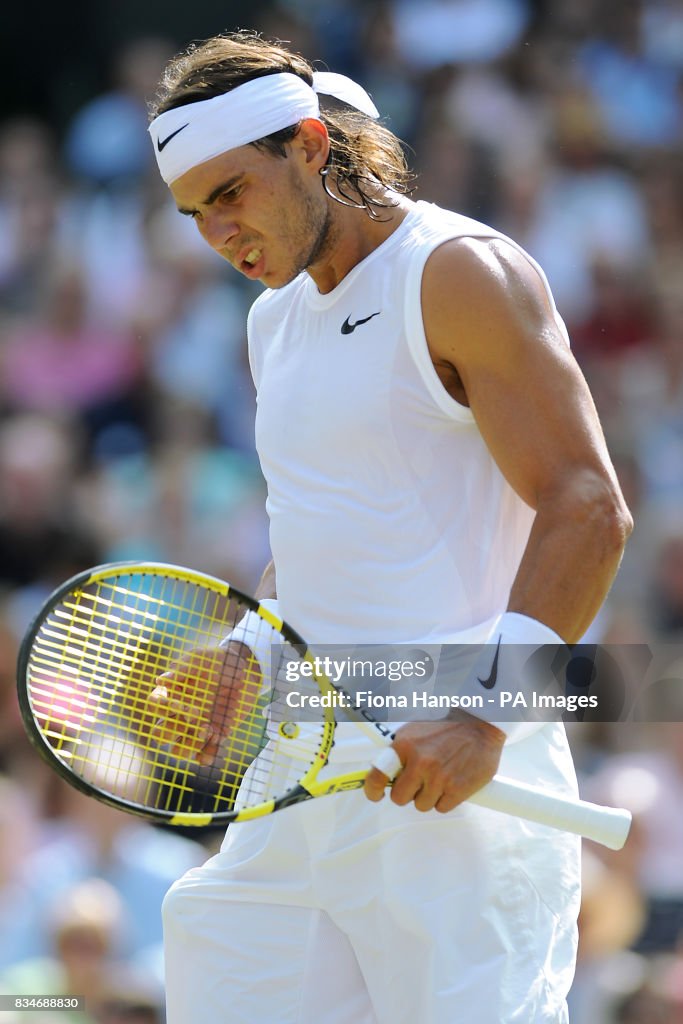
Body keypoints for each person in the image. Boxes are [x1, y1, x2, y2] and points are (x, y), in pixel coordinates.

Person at [146, 29, 633, 1024]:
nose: (215, 233)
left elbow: (586, 504)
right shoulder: (268, 321)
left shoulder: (457, 272)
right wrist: (247, 648)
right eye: (193, 211)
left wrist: (482, 717)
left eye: (229, 192)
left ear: (310, 145)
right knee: (217, 966)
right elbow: (326, 528)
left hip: (449, 774)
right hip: (305, 769)